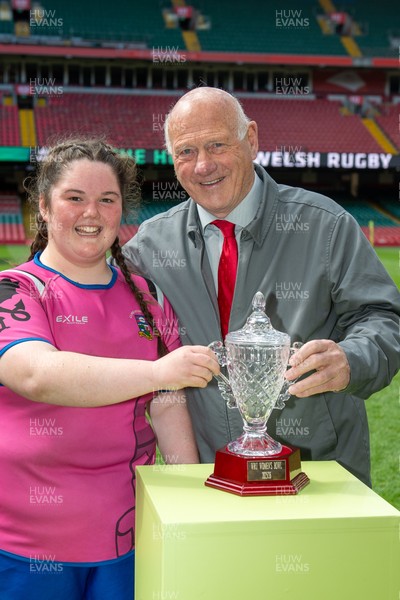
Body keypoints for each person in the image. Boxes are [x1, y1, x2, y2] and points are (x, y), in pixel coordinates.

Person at [122, 86, 400, 488]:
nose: (202, 165)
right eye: (186, 152)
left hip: (319, 473)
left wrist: (352, 358)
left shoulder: (325, 225)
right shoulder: (149, 248)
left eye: (217, 144)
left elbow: (383, 317)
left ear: (251, 140)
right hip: (207, 476)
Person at [0, 138, 219, 600]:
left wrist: (188, 499)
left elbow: (167, 404)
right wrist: (162, 371)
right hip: (23, 546)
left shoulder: (144, 294)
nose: (92, 213)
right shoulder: (16, 290)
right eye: (74, 198)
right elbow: (36, 374)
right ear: (43, 206)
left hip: (125, 539)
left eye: (107, 200)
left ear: (123, 211)